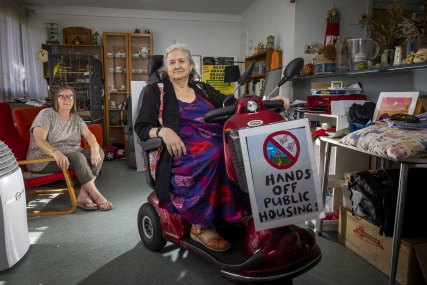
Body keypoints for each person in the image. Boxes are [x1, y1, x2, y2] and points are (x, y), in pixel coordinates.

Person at [134, 43, 289, 252]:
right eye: (172, 62)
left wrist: (268, 102)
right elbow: (142, 127)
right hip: (179, 148)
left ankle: (242, 211)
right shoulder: (156, 91)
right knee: (216, 155)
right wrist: (163, 132)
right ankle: (201, 224)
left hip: (215, 137)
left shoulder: (202, 88)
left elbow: (235, 105)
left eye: (182, 61)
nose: (177, 66)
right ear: (166, 68)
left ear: (190, 66)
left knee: (244, 150)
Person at [26, 86, 113, 211]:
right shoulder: (46, 114)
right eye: (63, 96)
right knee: (77, 156)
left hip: (71, 154)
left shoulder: (76, 119)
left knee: (99, 152)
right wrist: (56, 152)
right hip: (44, 158)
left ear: (73, 100)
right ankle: (97, 196)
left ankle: (83, 194)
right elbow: (39, 141)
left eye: (70, 96)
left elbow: (89, 135)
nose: (67, 99)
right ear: (56, 99)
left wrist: (94, 147)